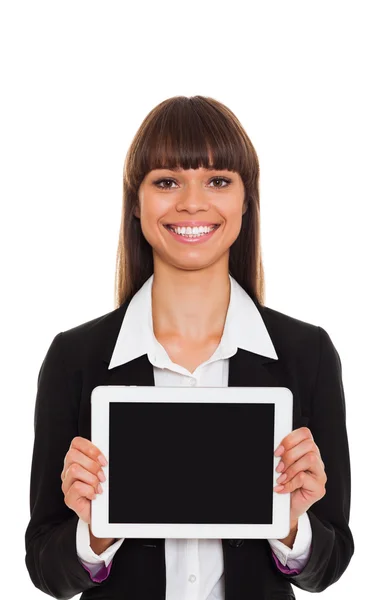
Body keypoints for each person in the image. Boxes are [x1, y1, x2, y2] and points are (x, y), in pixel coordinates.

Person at [25, 95, 354, 600]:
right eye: (167, 181)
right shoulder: (76, 359)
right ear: (136, 202)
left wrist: (292, 526)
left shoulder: (305, 354)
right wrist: (94, 533)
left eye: (218, 180)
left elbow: (328, 565)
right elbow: (47, 569)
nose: (192, 202)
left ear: (247, 200)